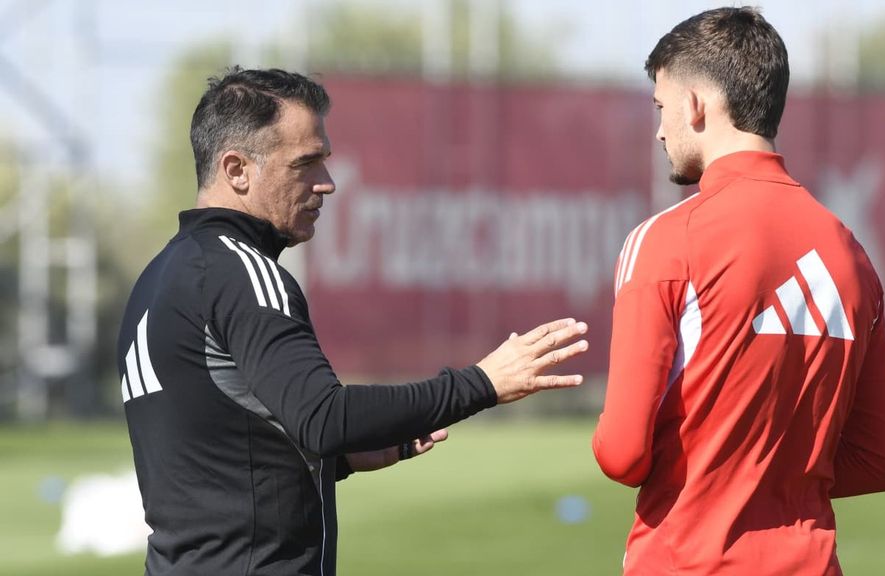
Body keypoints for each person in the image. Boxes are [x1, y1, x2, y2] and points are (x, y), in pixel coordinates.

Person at [116, 67, 589, 576]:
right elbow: (324, 418)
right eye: (307, 163)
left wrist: (334, 464)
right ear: (237, 170)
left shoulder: (160, 278)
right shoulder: (242, 272)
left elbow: (212, 452)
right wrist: (482, 383)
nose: (328, 183)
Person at [592, 7, 885, 575]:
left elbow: (622, 453)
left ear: (694, 105)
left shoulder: (666, 241)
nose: (660, 129)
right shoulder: (853, 255)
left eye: (661, 108)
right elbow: (881, 462)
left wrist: (721, 475)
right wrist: (778, 479)